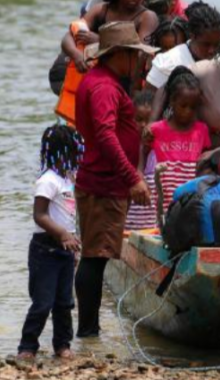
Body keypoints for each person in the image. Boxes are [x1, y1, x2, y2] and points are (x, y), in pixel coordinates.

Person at [73, 22, 157, 337]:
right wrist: (132, 177)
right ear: (120, 55)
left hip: (102, 180)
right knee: (94, 258)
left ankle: (88, 330)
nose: (138, 62)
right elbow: (106, 136)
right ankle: (88, 332)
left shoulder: (100, 81)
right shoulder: (105, 87)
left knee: (96, 255)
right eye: (134, 55)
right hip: (102, 183)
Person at [17, 125, 84, 361]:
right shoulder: (47, 180)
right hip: (44, 249)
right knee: (42, 303)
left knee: (64, 303)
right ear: (64, 152)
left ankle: (62, 345)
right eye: (76, 152)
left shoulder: (67, 180)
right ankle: (27, 347)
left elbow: (68, 215)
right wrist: (63, 234)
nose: (78, 157)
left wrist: (73, 244)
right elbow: (40, 215)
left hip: (65, 251)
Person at [62, 0, 159, 85]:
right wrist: (75, 54)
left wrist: (101, 40)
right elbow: (68, 36)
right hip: (96, 75)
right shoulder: (101, 10)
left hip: (129, 82)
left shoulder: (147, 17)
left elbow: (141, 52)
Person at [140, 66, 212, 212]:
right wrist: (139, 173)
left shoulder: (201, 130)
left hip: (190, 199)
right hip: (162, 196)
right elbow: (143, 150)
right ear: (172, 101)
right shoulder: (156, 129)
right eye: (183, 106)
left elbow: (206, 160)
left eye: (193, 107)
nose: (188, 111)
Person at [145, 0, 220, 99]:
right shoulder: (167, 63)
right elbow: (147, 102)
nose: (212, 51)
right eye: (206, 45)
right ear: (192, 36)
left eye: (217, 44)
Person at [125, 90, 158, 231]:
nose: (144, 125)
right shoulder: (125, 148)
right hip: (127, 226)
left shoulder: (159, 151)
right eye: (138, 120)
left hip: (154, 227)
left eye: (148, 120)